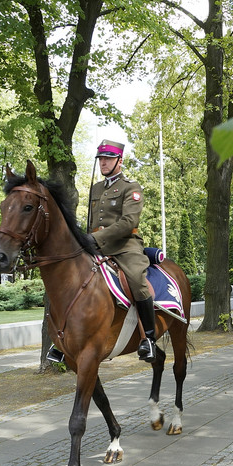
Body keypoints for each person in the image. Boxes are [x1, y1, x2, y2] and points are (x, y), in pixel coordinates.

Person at [86, 139, 158, 362]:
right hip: (96, 245)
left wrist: (95, 237)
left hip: (125, 245)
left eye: (108, 158)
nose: (103, 163)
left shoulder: (131, 187)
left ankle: (149, 339)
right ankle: (63, 341)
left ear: (120, 160)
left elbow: (128, 222)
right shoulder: (96, 188)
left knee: (137, 279)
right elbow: (91, 221)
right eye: (101, 159)